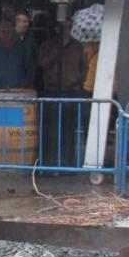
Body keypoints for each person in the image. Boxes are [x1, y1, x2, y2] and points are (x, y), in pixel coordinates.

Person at [36, 19, 88, 169]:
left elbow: (84, 67)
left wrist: (77, 81)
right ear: (56, 29)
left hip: (70, 92)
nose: (66, 30)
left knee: (68, 130)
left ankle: (67, 163)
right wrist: (57, 49)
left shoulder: (77, 46)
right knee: (50, 131)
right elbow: (43, 63)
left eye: (68, 27)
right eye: (62, 27)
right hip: (51, 92)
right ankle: (49, 163)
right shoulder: (48, 45)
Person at [0, 20, 34, 91]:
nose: (6, 34)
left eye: (8, 31)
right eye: (3, 31)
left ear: (12, 32)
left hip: (18, 94)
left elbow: (29, 70)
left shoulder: (21, 50)